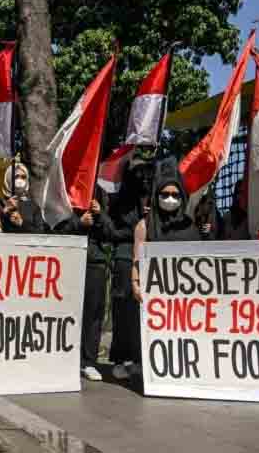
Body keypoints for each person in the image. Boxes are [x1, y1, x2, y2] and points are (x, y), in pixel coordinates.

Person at [128, 158, 201, 377]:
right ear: (156, 196)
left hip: (184, 299)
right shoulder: (145, 225)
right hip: (156, 298)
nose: (170, 199)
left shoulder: (190, 226)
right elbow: (137, 257)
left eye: (175, 195)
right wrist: (135, 284)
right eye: (165, 195)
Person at [53, 184, 110, 382]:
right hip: (69, 260)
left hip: (95, 263)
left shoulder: (101, 193)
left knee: (93, 315)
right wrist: (79, 223)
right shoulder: (64, 189)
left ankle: (88, 362)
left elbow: (111, 233)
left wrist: (100, 216)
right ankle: (64, 357)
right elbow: (54, 230)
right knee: (67, 313)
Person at [107, 155, 154, 380]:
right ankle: (121, 357)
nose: (143, 180)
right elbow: (115, 231)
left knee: (142, 311)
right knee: (124, 309)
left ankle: (139, 357)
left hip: (149, 259)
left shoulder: (154, 200)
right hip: (126, 258)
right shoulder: (122, 203)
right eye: (138, 176)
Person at [0, 161, 46, 233]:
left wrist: (22, 223)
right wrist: (4, 211)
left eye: (23, 177)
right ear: (8, 178)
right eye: (16, 176)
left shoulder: (33, 206)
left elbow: (40, 233)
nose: (20, 180)